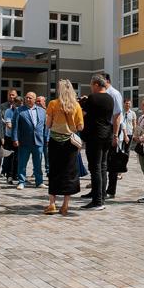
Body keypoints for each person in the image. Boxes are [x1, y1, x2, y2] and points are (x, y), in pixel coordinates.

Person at [44, 80, 84, 215]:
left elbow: (48, 124)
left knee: (54, 171)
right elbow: (80, 127)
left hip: (55, 141)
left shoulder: (53, 104)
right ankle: (65, 205)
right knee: (69, 173)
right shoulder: (76, 105)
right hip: (70, 143)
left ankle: (52, 204)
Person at [81, 74, 115, 210]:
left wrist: (82, 103)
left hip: (95, 136)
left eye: (91, 85)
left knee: (95, 168)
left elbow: (83, 114)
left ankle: (97, 201)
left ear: (96, 84)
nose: (91, 88)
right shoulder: (110, 98)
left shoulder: (93, 98)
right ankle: (102, 198)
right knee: (103, 167)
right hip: (107, 135)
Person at [12, 92, 47, 189]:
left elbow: (45, 126)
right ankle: (21, 182)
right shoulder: (19, 110)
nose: (27, 99)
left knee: (38, 163)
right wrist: (15, 139)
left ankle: (39, 182)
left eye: (30, 98)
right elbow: (15, 126)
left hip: (38, 141)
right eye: (26, 97)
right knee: (22, 163)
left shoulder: (42, 111)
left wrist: (46, 138)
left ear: (35, 99)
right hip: (24, 141)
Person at [100, 73, 124, 199]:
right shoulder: (103, 94)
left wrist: (115, 134)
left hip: (112, 129)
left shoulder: (114, 94)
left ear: (107, 81)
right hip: (104, 129)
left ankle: (110, 190)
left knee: (111, 161)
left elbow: (117, 115)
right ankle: (98, 190)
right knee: (101, 161)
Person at [0, 90, 20, 183]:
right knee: (9, 156)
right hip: (8, 136)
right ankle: (8, 174)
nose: (18, 105)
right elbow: (8, 124)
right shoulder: (6, 109)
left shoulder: (22, 111)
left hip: (19, 137)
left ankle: (15, 174)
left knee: (17, 157)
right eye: (10, 95)